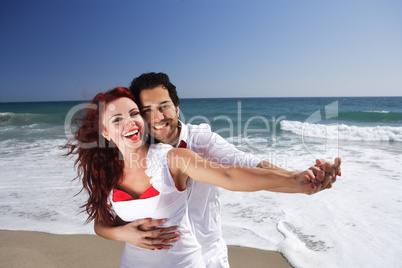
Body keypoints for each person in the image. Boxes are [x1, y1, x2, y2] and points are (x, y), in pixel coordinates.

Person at [64, 87, 340, 267]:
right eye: (116, 119)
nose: (130, 122)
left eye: (134, 113)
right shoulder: (106, 172)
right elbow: (101, 224)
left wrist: (296, 181)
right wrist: (122, 233)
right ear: (104, 132)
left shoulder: (173, 158)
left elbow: (231, 174)